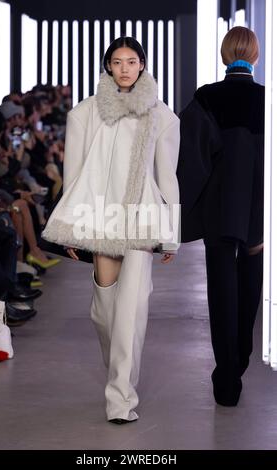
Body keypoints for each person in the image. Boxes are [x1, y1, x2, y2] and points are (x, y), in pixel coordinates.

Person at [42, 37, 180, 423]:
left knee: (132, 311)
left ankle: (121, 398)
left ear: (142, 66)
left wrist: (172, 233)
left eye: (132, 61)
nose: (124, 68)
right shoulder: (85, 114)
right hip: (100, 218)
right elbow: (74, 178)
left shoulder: (162, 117)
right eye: (117, 62)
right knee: (105, 312)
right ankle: (118, 373)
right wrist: (70, 229)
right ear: (107, 67)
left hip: (141, 220)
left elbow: (168, 178)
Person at [177, 27, 264, 406]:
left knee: (221, 290)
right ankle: (241, 360)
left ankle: (226, 378)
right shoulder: (269, 100)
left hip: (219, 209)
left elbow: (191, 160)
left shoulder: (206, 99)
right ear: (256, 56)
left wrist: (181, 210)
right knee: (249, 288)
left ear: (225, 55)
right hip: (257, 208)